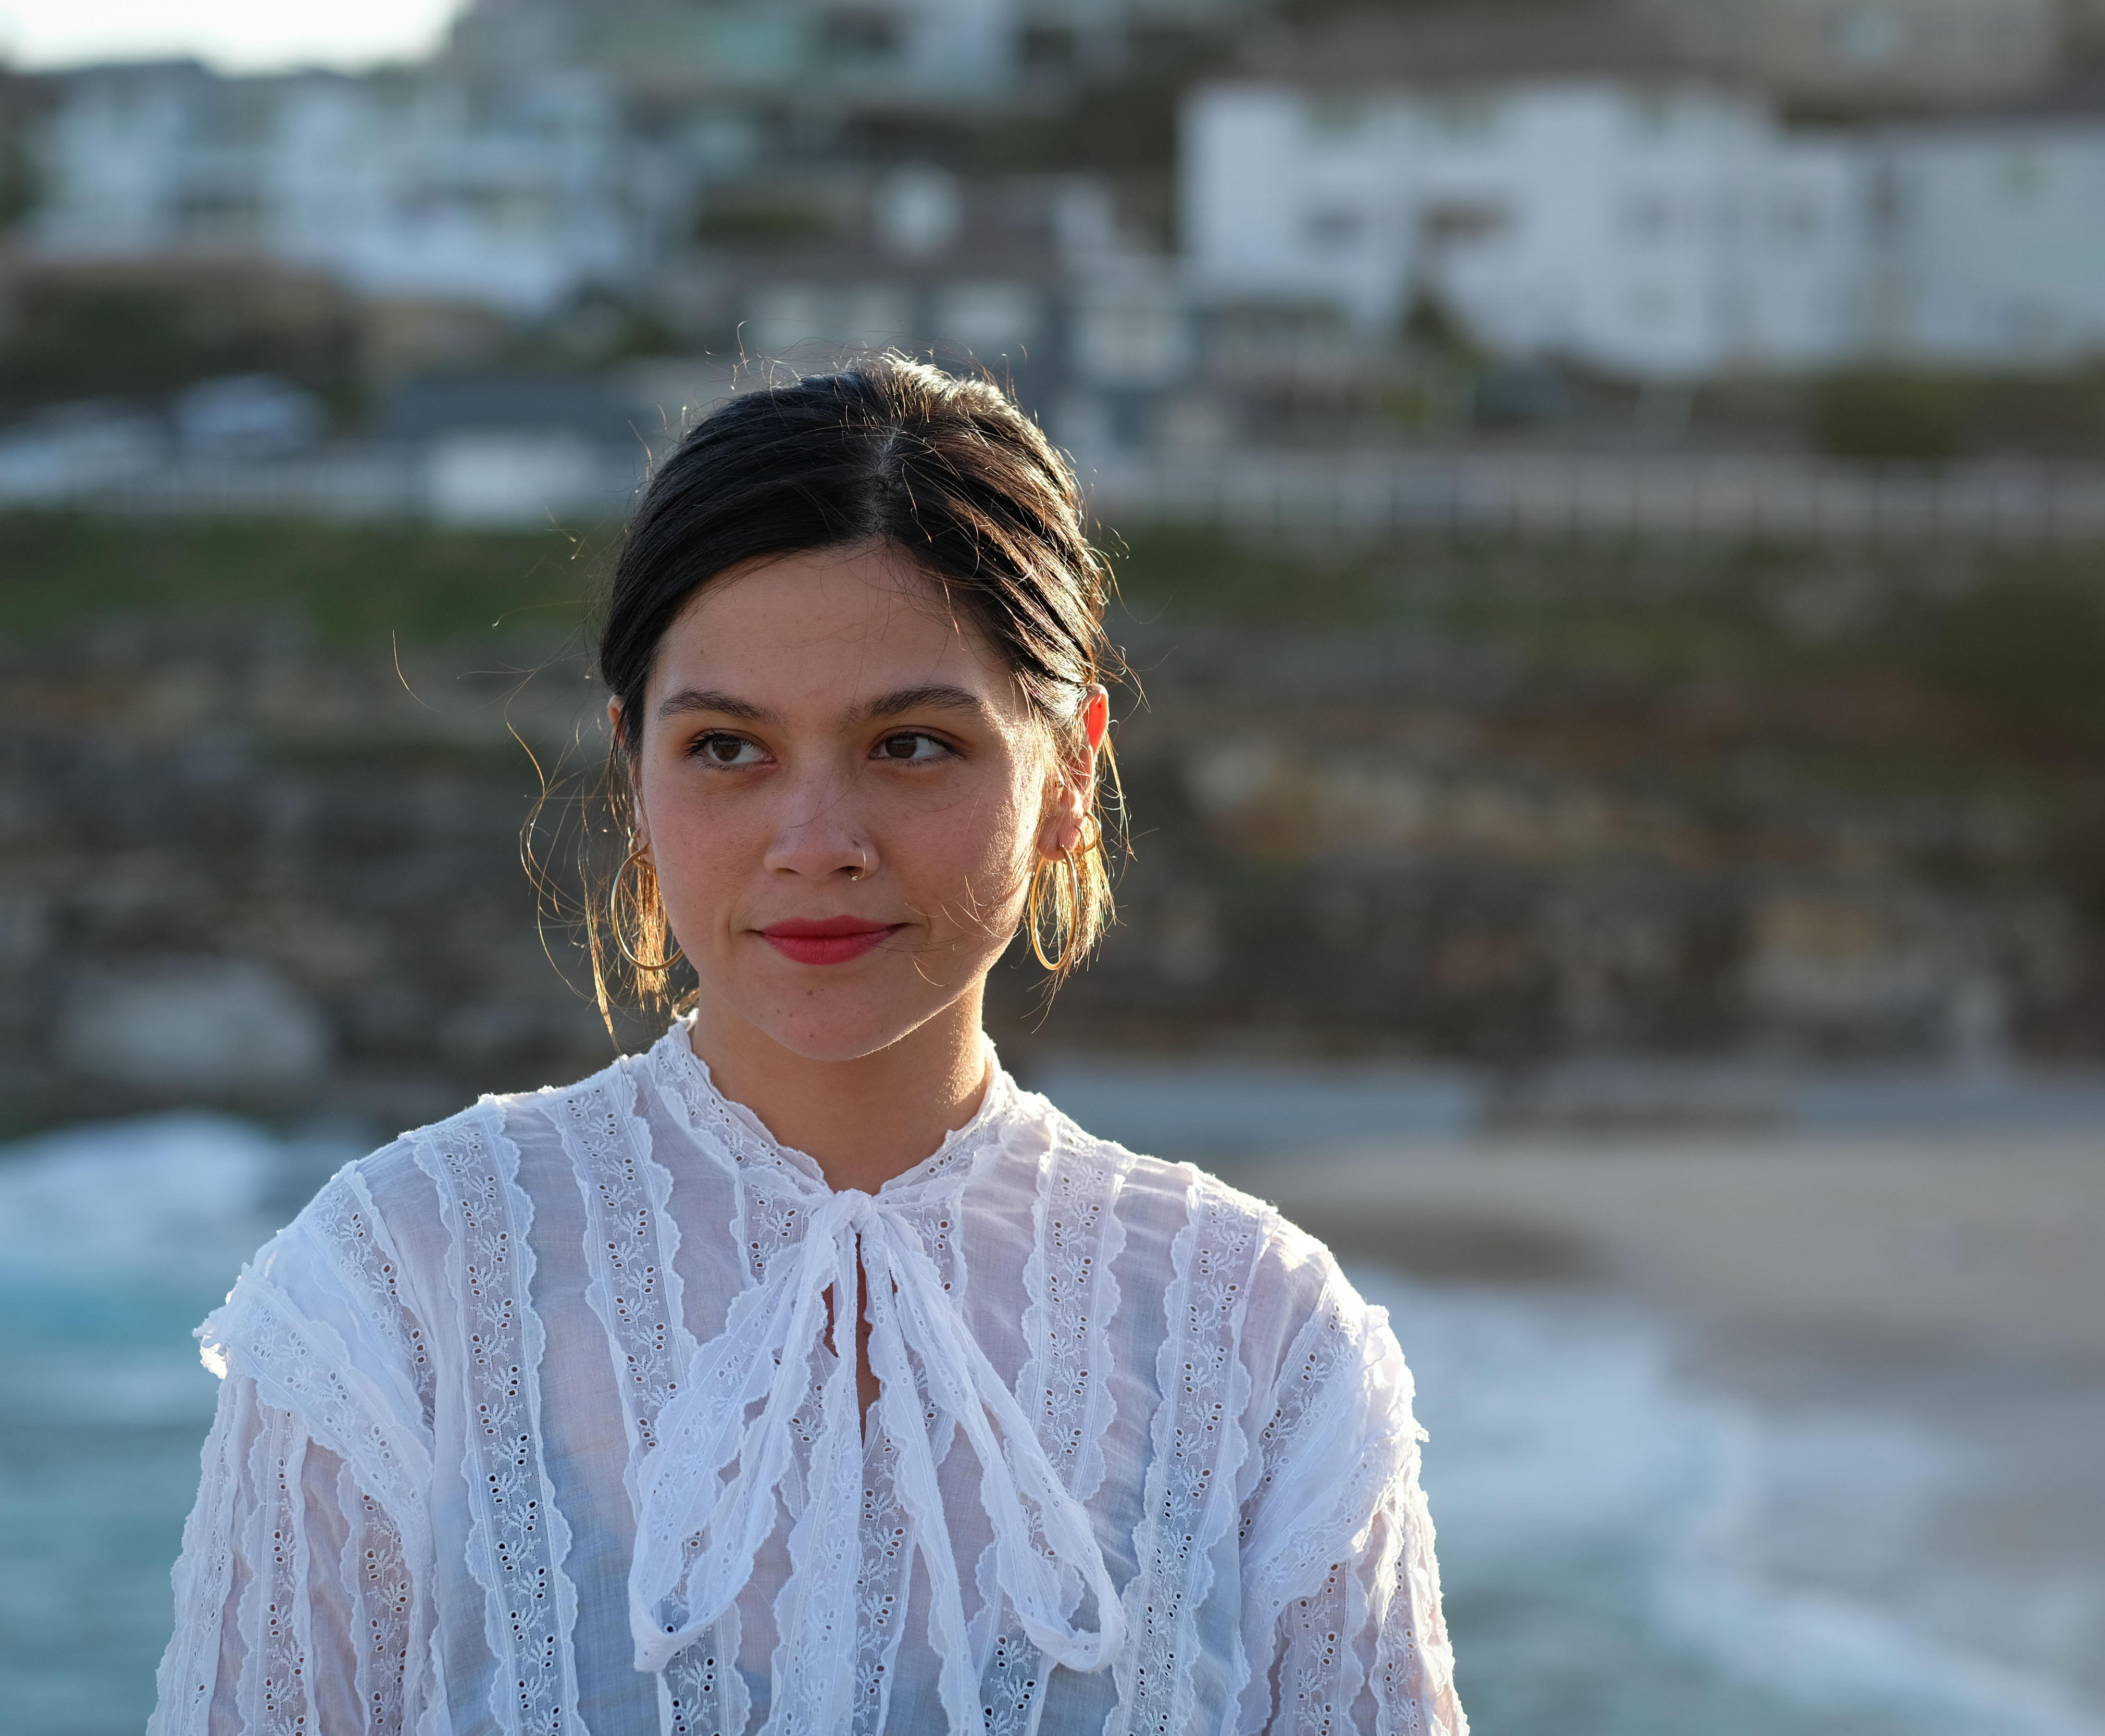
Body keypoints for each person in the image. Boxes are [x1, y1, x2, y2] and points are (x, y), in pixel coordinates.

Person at [147, 356, 1465, 1736]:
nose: (817, 844)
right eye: (728, 749)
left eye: (910, 745)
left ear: (1069, 776)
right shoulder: (394, 1287)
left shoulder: (1260, 1335)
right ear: (634, 772)